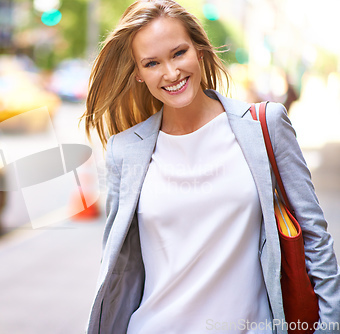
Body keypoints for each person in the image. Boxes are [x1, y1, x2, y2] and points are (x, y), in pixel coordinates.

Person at [82, 1, 340, 333]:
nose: (171, 73)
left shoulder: (264, 126)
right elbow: (120, 265)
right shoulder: (125, 151)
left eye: (178, 53)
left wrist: (330, 325)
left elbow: (315, 238)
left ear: (200, 50)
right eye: (151, 63)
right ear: (138, 74)